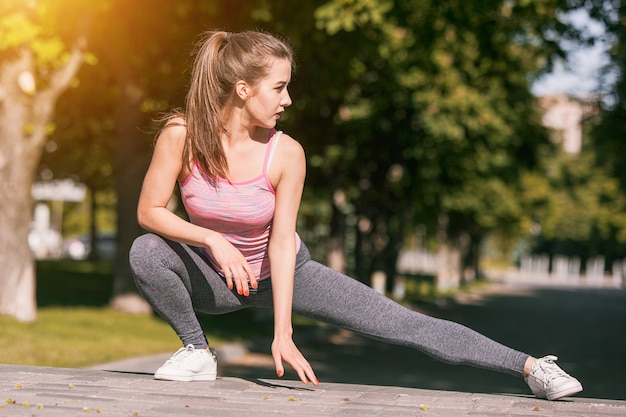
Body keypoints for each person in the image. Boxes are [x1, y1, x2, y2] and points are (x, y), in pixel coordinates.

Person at [129, 30, 583, 401]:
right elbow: (149, 212)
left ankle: (530, 366)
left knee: (403, 323)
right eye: (279, 87)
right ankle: (196, 350)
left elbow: (282, 244)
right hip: (215, 279)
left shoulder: (286, 153)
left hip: (284, 272)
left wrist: (281, 331)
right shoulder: (180, 135)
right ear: (242, 89)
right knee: (146, 251)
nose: (288, 99)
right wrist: (213, 240)